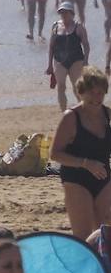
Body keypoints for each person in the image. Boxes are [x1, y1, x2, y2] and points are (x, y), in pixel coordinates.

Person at [51, 67, 111, 239]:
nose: (96, 98)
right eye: (91, 93)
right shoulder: (70, 117)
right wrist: (86, 163)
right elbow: (54, 154)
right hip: (76, 178)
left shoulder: (107, 115)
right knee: (83, 235)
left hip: (104, 177)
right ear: (81, 93)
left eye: (100, 93)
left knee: (106, 232)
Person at [49, 2, 90, 112]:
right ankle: (64, 113)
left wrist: (86, 60)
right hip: (59, 61)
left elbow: (86, 45)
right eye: (61, 12)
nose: (64, 15)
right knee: (61, 87)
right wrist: (49, 65)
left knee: (77, 88)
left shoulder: (79, 27)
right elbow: (51, 46)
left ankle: (83, 111)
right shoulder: (56, 26)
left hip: (76, 60)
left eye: (66, 12)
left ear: (72, 13)